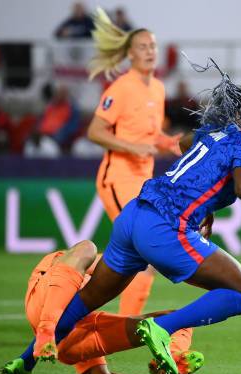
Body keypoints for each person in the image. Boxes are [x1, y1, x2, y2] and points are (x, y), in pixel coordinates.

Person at [28, 57, 241, 374]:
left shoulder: (218, 133)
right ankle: (160, 328)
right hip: (164, 225)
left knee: (88, 299)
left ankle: (24, 362)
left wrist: (203, 203)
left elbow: (185, 144)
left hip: (134, 215)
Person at [83, 8, 182, 333]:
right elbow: (96, 131)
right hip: (117, 178)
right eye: (142, 46)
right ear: (128, 54)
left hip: (142, 181)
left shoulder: (157, 88)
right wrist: (132, 147)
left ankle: (113, 318)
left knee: (139, 257)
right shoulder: (121, 89)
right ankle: (120, 324)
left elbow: (147, 134)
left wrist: (167, 143)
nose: (150, 51)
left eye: (153, 45)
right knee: (145, 250)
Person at [1, 241, 205, 374]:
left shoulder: (78, 274)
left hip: (70, 336)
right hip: (44, 307)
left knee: (178, 319)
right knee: (88, 249)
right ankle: (47, 330)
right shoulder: (60, 262)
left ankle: (170, 361)